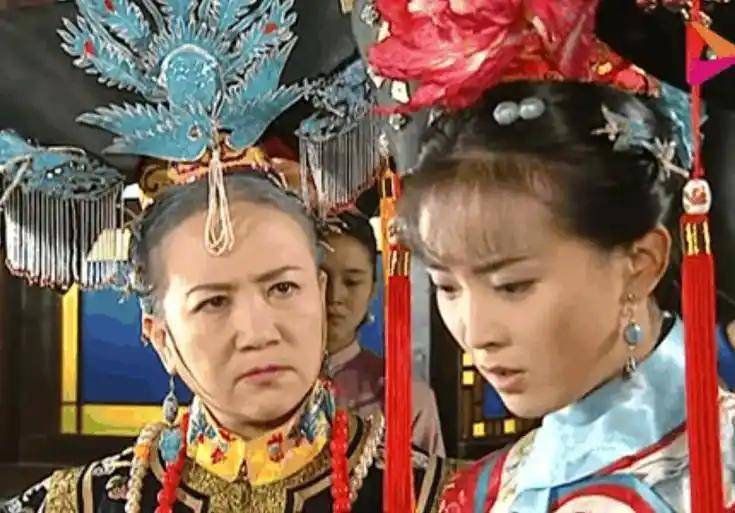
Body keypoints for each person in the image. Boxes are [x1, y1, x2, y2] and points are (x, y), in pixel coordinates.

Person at [352, 0, 735, 510]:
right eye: (446, 286)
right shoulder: (482, 489)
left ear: (640, 265)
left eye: (512, 285)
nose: (476, 333)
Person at [1, 172, 455, 513]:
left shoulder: (440, 498)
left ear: (320, 296)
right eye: (214, 302)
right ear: (160, 337)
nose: (259, 332)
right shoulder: (79, 503)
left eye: (283, 288)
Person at [322, 212, 445, 455]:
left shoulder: (405, 398)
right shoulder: (262, 382)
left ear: (373, 290)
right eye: (322, 279)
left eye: (352, 282)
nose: (335, 296)